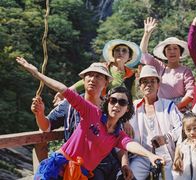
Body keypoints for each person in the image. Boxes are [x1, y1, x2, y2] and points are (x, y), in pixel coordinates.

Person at [16, 57, 164, 179]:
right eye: (113, 101)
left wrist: (150, 155)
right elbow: (63, 90)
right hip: (60, 167)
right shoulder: (91, 112)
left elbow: (128, 144)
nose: (116, 105)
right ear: (108, 102)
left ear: (127, 109)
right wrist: (36, 73)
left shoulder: (117, 132)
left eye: (122, 102)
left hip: (85, 174)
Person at [31, 62, 133, 180]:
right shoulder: (69, 104)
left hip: (104, 165)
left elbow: (120, 143)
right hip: (72, 163)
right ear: (83, 80)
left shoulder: (111, 108)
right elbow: (46, 126)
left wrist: (125, 164)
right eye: (89, 75)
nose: (92, 79)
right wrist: (39, 113)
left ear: (106, 83)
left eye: (98, 76)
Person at [129, 65, 183, 180]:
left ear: (158, 85)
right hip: (141, 155)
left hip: (164, 154)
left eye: (152, 81)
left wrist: (166, 138)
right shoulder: (133, 107)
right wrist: (125, 122)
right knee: (131, 176)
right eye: (144, 81)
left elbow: (182, 127)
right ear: (140, 86)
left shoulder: (168, 105)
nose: (149, 84)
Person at [53, 39, 141, 106]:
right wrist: (64, 93)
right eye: (117, 50)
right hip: (99, 106)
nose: (120, 53)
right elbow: (85, 82)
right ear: (113, 53)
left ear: (129, 56)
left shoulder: (131, 74)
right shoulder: (103, 68)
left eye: (124, 50)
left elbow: (132, 96)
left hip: (120, 109)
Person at [140, 17, 195, 112]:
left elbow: (190, 93)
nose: (172, 51)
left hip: (180, 108)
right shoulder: (159, 66)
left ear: (180, 52)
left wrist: (175, 108)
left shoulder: (185, 71)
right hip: (161, 107)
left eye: (175, 48)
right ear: (165, 53)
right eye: (168, 49)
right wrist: (147, 33)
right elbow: (143, 54)